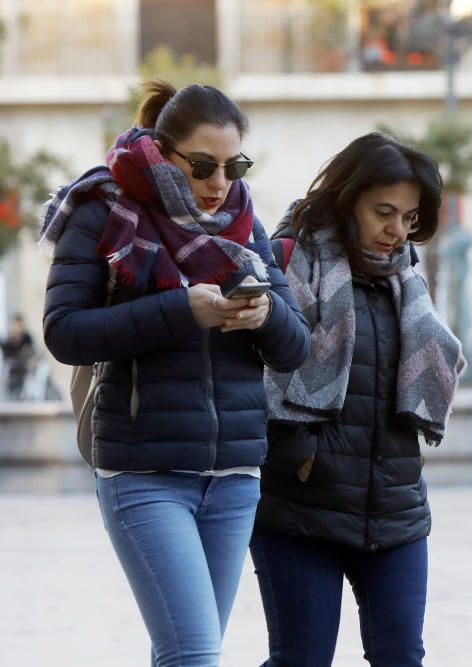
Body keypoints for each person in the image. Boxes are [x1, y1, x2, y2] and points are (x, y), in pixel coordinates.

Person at [40, 80, 310, 666]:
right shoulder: (104, 212)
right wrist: (178, 309)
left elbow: (296, 351)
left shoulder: (245, 225)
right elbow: (64, 332)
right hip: (144, 471)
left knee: (190, 653)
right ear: (164, 155)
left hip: (236, 476)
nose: (220, 184)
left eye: (234, 166)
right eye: (203, 166)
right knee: (193, 654)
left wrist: (265, 315)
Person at [254, 132, 465, 666]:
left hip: (395, 511)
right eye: (384, 213)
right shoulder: (288, 262)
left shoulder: (407, 279)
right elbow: (252, 366)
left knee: (401, 658)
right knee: (301, 661)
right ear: (348, 201)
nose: (397, 232)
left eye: (409, 218)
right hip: (302, 512)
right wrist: (296, 453)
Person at [1, 313, 34, 399]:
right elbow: (7, 358)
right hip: (12, 373)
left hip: (25, 371)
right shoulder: (8, 340)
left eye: (19, 325)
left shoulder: (27, 337)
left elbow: (30, 352)